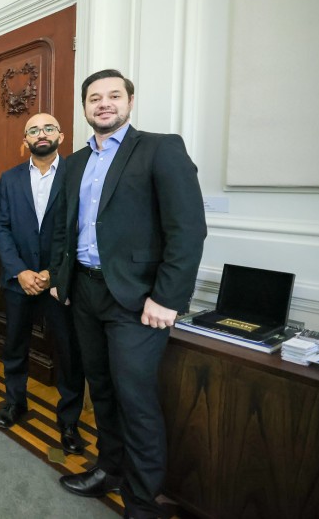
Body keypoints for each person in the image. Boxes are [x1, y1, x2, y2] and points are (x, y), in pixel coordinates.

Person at [49, 69, 207, 518]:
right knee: (101, 390)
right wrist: (64, 279)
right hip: (84, 292)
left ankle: (141, 503)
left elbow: (188, 229)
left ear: (130, 101)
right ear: (83, 108)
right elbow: (68, 226)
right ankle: (109, 469)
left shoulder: (161, 148)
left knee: (135, 400)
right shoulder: (76, 162)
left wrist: (168, 297)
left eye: (113, 96)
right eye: (94, 98)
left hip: (138, 301)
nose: (104, 104)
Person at [0, 113, 86, 454]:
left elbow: (80, 228)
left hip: (60, 280)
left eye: (48, 127)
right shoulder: (11, 178)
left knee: (68, 352)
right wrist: (20, 271)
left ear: (61, 134)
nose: (41, 133)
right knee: (14, 346)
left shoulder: (76, 175)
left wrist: (52, 272)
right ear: (26, 139)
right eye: (33, 130)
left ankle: (69, 420)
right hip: (20, 281)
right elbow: (2, 228)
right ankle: (15, 402)